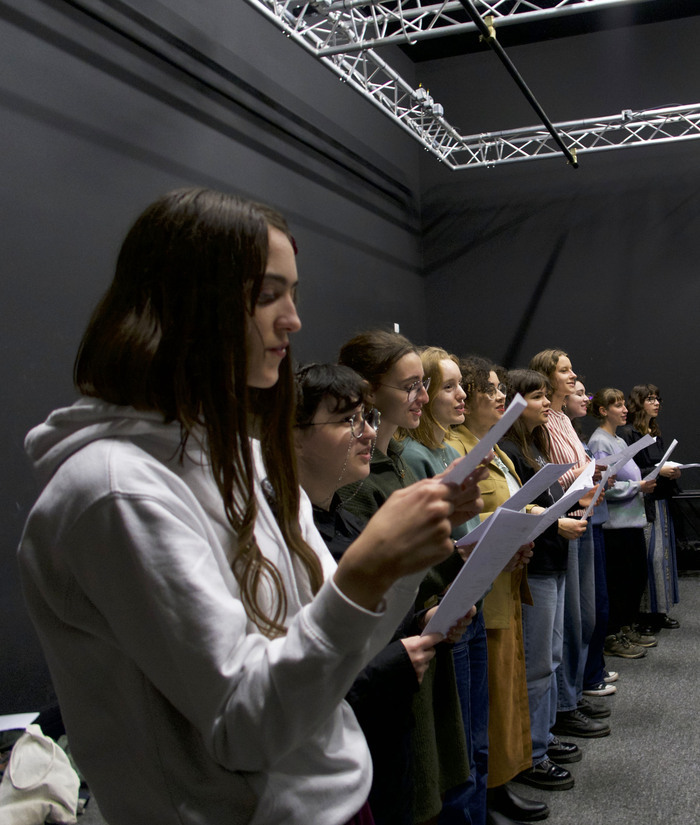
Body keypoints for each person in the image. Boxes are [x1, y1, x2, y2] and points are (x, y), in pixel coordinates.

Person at [17, 188, 485, 825]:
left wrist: (398, 563)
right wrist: (369, 572)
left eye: (293, 294)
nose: (292, 319)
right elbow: (245, 726)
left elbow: (328, 655)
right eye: (269, 294)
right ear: (191, 300)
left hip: (338, 801)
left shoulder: (245, 458)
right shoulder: (114, 491)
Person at [294, 362, 472, 825]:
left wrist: (423, 622)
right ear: (292, 435)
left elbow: (376, 618)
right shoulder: (285, 541)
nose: (368, 433)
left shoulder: (346, 522)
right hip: (343, 748)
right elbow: (302, 672)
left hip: (386, 732)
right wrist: (391, 661)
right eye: (347, 420)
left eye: (366, 418)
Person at [338, 331, 478, 825]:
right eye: (411, 386)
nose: (422, 396)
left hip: (422, 628)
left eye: (424, 385)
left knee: (435, 773)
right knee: (409, 786)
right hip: (392, 648)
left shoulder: (397, 459)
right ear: (369, 392)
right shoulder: (356, 483)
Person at [445, 356, 541, 824]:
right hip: (484, 585)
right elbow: (463, 520)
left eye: (499, 388)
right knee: (492, 697)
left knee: (505, 688)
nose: (499, 395)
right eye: (488, 389)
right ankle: (492, 790)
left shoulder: (494, 448)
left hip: (504, 577)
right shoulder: (455, 446)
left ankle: (499, 785)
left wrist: (522, 530)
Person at [398, 347, 492, 825]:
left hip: (466, 598)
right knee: (456, 755)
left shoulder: (450, 448)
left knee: (475, 739)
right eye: (450, 386)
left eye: (462, 385)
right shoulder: (413, 456)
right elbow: (438, 541)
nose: (463, 395)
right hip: (440, 605)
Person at [500, 369, 587, 793]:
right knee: (538, 662)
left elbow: (542, 504)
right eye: (537, 397)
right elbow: (521, 514)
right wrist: (558, 524)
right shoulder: (510, 451)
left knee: (550, 656)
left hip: (551, 558)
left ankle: (544, 737)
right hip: (535, 565)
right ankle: (533, 752)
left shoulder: (530, 446)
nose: (547, 403)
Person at [529, 350, 610, 740]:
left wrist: (591, 474)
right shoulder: (545, 425)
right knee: (571, 623)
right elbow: (552, 481)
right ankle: (565, 705)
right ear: (546, 376)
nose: (573, 375)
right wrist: (585, 472)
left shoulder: (563, 419)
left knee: (583, 619)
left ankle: (572, 696)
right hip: (564, 522)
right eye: (565, 370)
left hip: (582, 518)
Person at [588, 388, 658, 660]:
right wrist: (638, 486)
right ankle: (613, 635)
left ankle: (626, 627)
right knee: (619, 583)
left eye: (623, 404)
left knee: (635, 579)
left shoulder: (617, 439)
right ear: (603, 411)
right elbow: (606, 486)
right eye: (616, 405)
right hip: (615, 525)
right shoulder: (600, 441)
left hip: (631, 521)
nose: (624, 409)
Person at [564, 381, 618, 695]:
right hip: (576, 525)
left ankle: (591, 670)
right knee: (584, 611)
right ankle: (586, 678)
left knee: (594, 607)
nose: (585, 397)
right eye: (579, 392)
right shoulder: (566, 434)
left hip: (590, 520)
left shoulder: (575, 434)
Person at [619, 384, 682, 633]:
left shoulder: (654, 431)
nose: (656, 403)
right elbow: (629, 473)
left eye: (658, 398)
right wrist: (660, 471)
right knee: (650, 558)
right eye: (650, 399)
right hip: (643, 503)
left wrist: (671, 472)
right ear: (638, 402)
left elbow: (658, 464)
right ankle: (644, 614)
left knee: (663, 559)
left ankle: (658, 611)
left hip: (661, 500)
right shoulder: (628, 434)